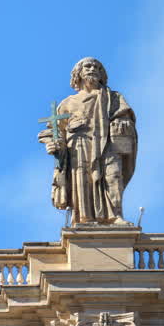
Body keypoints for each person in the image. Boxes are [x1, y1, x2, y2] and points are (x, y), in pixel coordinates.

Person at [39, 57, 136, 226]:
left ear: (101, 74)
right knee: (83, 181)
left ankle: (114, 216)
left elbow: (125, 118)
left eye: (97, 67)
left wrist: (121, 123)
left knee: (112, 176)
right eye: (88, 66)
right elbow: (52, 130)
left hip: (107, 144)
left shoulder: (113, 98)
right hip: (79, 145)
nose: (92, 69)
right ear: (79, 73)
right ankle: (85, 218)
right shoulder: (68, 103)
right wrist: (56, 144)